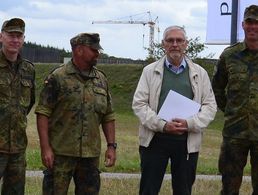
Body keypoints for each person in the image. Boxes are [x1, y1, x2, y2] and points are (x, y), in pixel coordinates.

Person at [132, 25, 217, 195]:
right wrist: (162, 125)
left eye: (179, 40)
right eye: (170, 40)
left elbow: (210, 106)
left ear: (186, 44)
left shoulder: (200, 73)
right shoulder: (149, 71)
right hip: (155, 139)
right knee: (148, 189)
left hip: (187, 141)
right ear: (163, 44)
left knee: (183, 190)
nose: (175, 44)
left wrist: (190, 123)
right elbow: (139, 104)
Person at [35, 32, 116, 194]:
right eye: (93, 50)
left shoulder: (101, 79)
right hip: (60, 153)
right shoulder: (57, 77)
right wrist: (45, 148)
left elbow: (108, 115)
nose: (97, 54)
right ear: (79, 50)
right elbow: (43, 113)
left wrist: (111, 146)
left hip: (90, 156)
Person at [212, 4, 258, 195]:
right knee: (229, 188)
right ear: (243, 25)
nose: (253, 26)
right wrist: (231, 110)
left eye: (257, 22)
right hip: (234, 133)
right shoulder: (229, 55)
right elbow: (216, 88)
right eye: (249, 22)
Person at [0, 18, 35, 194]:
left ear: (23, 39)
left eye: (18, 36)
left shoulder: (28, 69)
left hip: (18, 148)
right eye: (10, 35)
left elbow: (28, 104)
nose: (15, 39)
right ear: (1, 37)